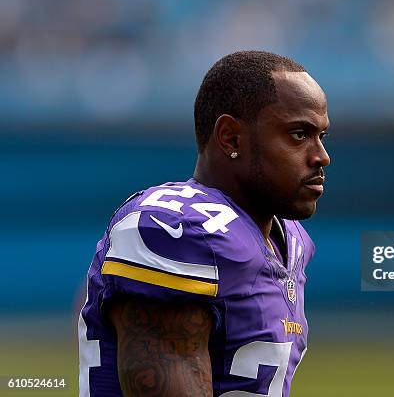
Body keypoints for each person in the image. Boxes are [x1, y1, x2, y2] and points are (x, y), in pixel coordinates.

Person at [78, 50, 331, 396]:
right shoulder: (179, 229)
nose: (321, 156)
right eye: (299, 134)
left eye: (321, 136)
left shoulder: (291, 240)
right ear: (231, 138)